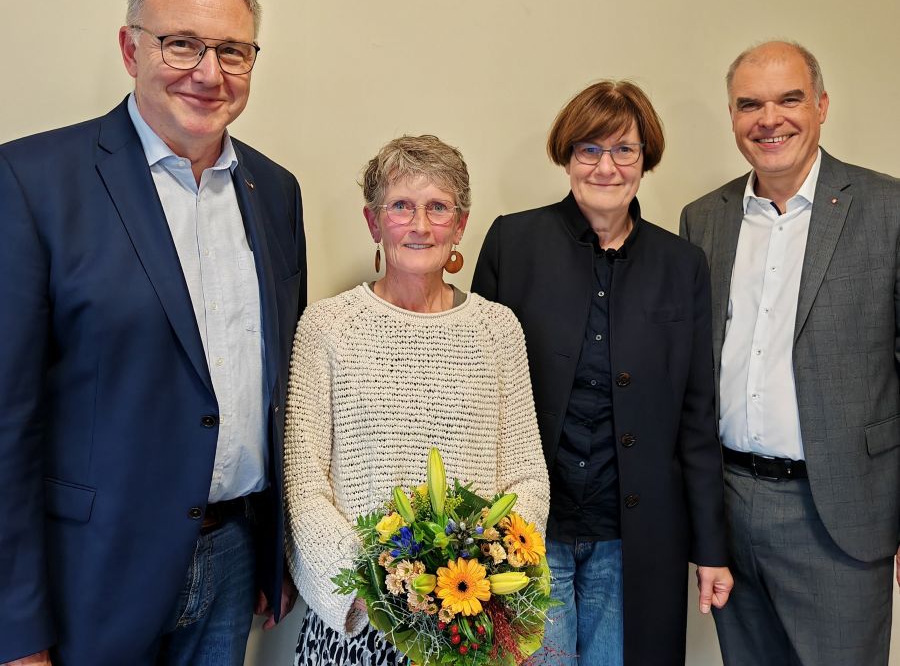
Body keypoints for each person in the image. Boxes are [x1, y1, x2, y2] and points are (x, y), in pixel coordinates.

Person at [0, 0, 305, 666]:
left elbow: (273, 386)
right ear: (130, 46)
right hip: (90, 572)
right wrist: (17, 628)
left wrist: (271, 550)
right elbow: (7, 422)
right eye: (182, 43)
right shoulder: (31, 182)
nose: (209, 71)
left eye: (233, 50)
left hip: (232, 561)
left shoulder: (276, 191)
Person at [472, 80, 733, 666]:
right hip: (528, 533)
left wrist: (712, 550)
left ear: (646, 160)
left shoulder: (680, 264)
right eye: (589, 149)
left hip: (635, 536)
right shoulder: (514, 242)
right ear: (567, 156)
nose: (606, 166)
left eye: (624, 150)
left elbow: (697, 414)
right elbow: (476, 395)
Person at [283, 134, 549, 665]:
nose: (421, 226)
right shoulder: (327, 326)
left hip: (469, 622)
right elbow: (304, 478)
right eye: (401, 206)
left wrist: (491, 574)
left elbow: (525, 473)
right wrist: (381, 588)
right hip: (358, 625)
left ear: (461, 224)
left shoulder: (498, 330)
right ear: (373, 221)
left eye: (438, 208)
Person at [680, 40, 900, 666]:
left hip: (839, 516)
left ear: (823, 106)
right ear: (732, 117)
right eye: (750, 104)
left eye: (789, 99)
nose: (768, 119)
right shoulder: (705, 220)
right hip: (729, 507)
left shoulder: (889, 210)